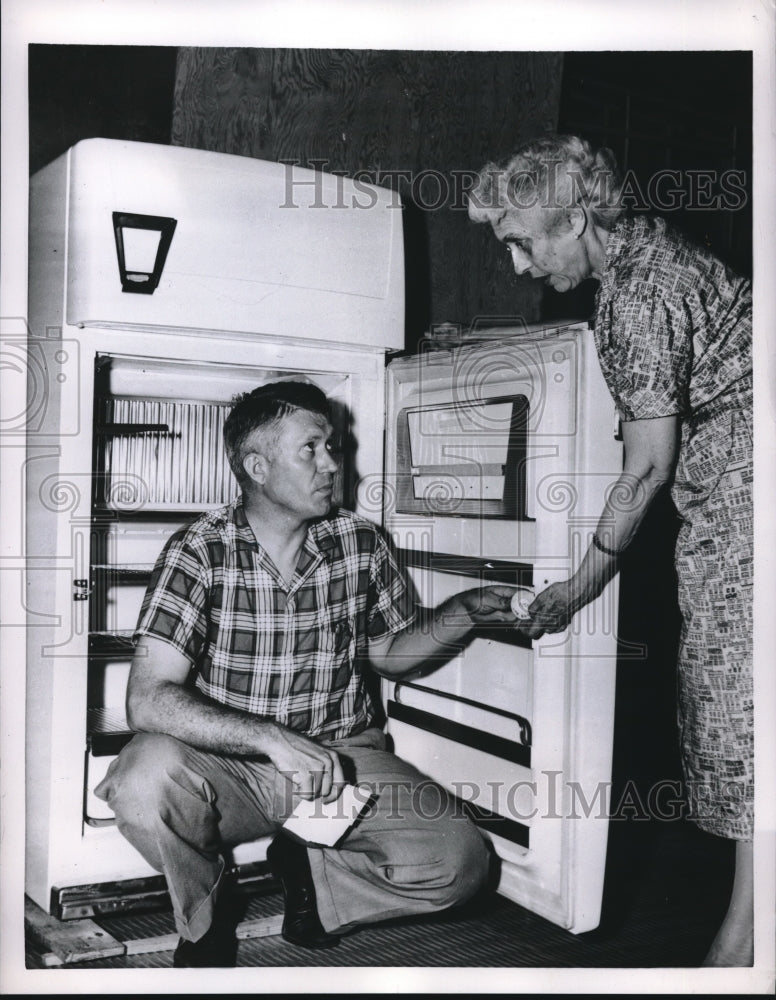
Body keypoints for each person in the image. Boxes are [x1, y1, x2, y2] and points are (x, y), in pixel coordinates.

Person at [96, 379, 520, 967]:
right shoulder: (199, 550)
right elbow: (147, 700)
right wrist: (271, 739)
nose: (331, 464)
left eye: (334, 447)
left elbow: (391, 654)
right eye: (312, 448)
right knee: (142, 781)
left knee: (461, 866)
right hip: (234, 769)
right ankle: (207, 918)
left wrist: (465, 611)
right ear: (258, 466)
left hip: (342, 757)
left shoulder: (360, 542)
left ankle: (316, 885)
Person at [467, 134, 753, 967]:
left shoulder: (633, 298)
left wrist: (574, 591)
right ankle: (739, 946)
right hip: (740, 504)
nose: (519, 266)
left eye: (523, 242)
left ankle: (735, 956)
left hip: (745, 517)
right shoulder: (652, 259)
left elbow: (647, 469)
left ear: (578, 218)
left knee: (742, 721)